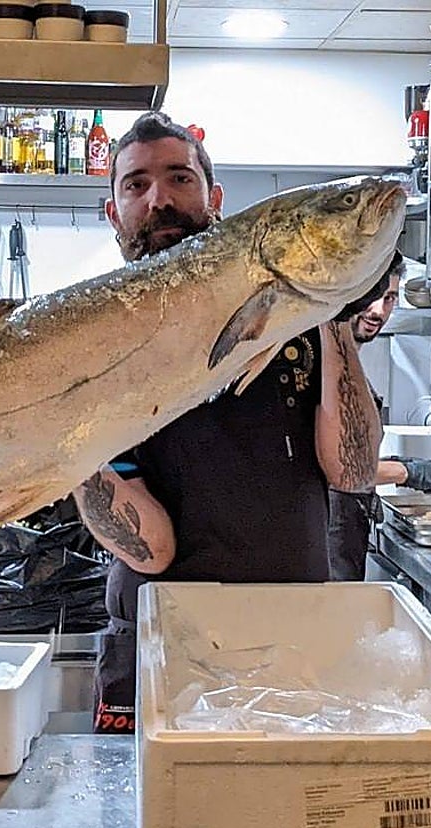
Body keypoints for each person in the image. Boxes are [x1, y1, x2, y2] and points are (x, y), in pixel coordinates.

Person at [72, 112, 385, 734]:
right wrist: (62, 443)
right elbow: (152, 550)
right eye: (135, 185)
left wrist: (326, 308)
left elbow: (352, 471)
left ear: (214, 199)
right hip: (160, 635)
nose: (158, 199)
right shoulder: (94, 342)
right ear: (113, 213)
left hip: (292, 635)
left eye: (178, 178)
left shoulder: (296, 320)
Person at [328, 252, 431, 581]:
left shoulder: (351, 366)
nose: (379, 311)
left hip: (343, 549)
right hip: (323, 555)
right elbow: (326, 465)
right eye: (371, 296)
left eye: (389, 298)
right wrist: (400, 471)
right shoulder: (322, 366)